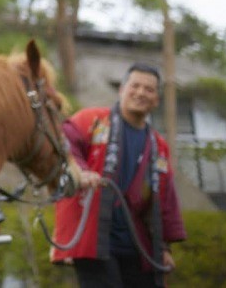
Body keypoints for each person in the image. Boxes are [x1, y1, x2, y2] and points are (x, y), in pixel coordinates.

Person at [53, 62, 186, 287]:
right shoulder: (91, 121)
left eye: (149, 89)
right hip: (95, 240)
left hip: (139, 245)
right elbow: (62, 144)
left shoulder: (159, 146)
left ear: (157, 100)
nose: (141, 93)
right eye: (135, 86)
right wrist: (81, 172)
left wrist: (163, 247)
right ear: (122, 90)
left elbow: (164, 199)